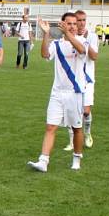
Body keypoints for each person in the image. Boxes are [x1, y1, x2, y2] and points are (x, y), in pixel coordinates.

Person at [27, 13, 86, 172]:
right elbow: (45, 54)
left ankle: (77, 158)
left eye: (75, 23)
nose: (73, 26)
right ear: (62, 24)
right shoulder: (57, 44)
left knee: (76, 128)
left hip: (75, 92)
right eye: (69, 23)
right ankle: (43, 161)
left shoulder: (81, 40)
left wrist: (68, 34)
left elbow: (81, 50)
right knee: (50, 127)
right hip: (57, 92)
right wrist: (46, 34)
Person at [64, 10, 99, 151]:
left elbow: (94, 56)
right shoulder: (68, 36)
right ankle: (72, 141)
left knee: (85, 111)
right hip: (72, 80)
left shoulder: (92, 36)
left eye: (83, 20)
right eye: (78, 20)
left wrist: (84, 41)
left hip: (87, 79)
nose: (81, 23)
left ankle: (88, 133)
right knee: (71, 110)